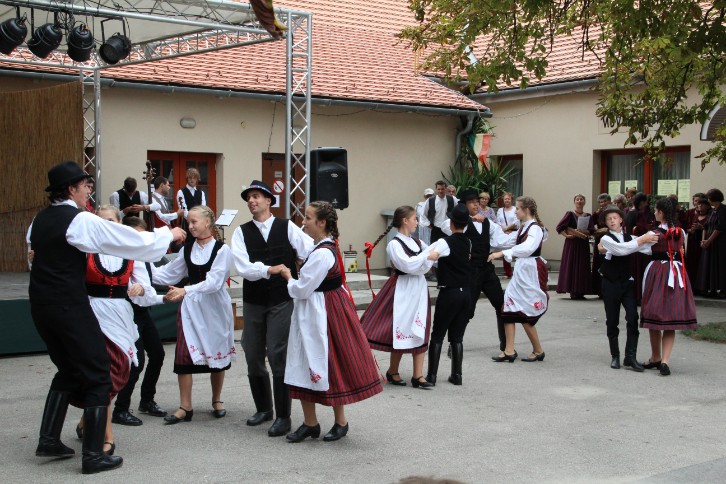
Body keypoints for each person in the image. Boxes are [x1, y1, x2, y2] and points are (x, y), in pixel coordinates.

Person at [30, 160, 185, 474]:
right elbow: (129, 240)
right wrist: (168, 234)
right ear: (71, 189)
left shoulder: (40, 220)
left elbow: (36, 257)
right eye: (84, 185)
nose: (88, 189)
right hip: (68, 307)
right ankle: (93, 455)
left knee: (68, 370)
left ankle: (48, 440)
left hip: (42, 307)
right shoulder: (78, 220)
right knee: (99, 375)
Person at [281, 201, 383, 442]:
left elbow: (302, 289)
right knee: (306, 363)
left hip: (322, 312)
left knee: (328, 362)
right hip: (322, 309)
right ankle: (311, 423)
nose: (303, 222)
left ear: (322, 223)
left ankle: (339, 422)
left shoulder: (323, 253)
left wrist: (288, 276)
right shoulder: (324, 247)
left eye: (308, 218)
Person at [77, 206, 162, 455]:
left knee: (120, 370)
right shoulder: (86, 250)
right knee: (102, 373)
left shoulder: (130, 252)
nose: (107, 225)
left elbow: (146, 290)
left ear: (119, 224)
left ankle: (86, 421)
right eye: (102, 221)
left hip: (121, 315)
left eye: (111, 221)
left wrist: (140, 289)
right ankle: (107, 436)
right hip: (93, 314)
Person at [231, 180, 313, 437]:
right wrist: (269, 269)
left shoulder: (287, 226)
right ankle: (263, 409)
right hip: (254, 300)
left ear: (268, 200)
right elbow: (243, 267)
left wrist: (299, 269)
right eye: (249, 197)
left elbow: (310, 250)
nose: (251, 201)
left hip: (281, 299)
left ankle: (283, 416)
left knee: (278, 355)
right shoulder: (241, 232)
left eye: (256, 196)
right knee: (253, 353)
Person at [152, 205, 236, 423]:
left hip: (215, 307)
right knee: (183, 354)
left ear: (208, 222)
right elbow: (169, 273)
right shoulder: (187, 249)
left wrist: (185, 290)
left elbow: (214, 283)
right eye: (188, 222)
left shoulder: (222, 250)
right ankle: (185, 406)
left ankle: (216, 400)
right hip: (192, 308)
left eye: (194, 222)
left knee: (216, 351)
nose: (189, 226)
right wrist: (142, 268)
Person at [360, 206, 438, 388]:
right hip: (402, 288)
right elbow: (407, 265)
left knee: (421, 325)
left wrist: (427, 258)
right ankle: (393, 370)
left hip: (419, 287)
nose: (417, 222)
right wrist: (426, 258)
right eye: (414, 218)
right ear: (405, 220)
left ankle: (418, 375)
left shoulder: (418, 242)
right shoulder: (394, 244)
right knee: (401, 326)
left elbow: (426, 264)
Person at [440, 191, 516, 362]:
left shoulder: (488, 223)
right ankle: (455, 343)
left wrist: (524, 234)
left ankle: (506, 347)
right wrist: (468, 218)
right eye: (472, 202)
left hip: (487, 269)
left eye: (477, 201)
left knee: (501, 305)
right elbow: (445, 226)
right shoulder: (460, 224)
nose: (476, 204)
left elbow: (503, 240)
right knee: (467, 310)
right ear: (463, 205)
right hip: (470, 271)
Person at [112, 216, 169, 426]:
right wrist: (155, 295)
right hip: (129, 312)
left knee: (158, 354)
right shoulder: (122, 256)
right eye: (138, 236)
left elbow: (153, 279)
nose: (141, 240)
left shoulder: (143, 256)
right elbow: (137, 290)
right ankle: (120, 409)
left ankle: (147, 400)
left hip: (143, 311)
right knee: (137, 362)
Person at [640, 197, 698, 376]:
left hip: (658, 272)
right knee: (670, 318)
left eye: (656, 210)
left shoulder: (654, 234)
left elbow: (640, 248)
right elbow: (682, 252)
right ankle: (664, 360)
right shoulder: (681, 232)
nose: (654, 213)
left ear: (661, 212)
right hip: (677, 273)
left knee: (654, 315)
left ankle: (655, 357)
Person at [596, 205, 658, 370]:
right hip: (610, 283)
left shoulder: (630, 237)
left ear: (621, 220)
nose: (612, 221)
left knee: (632, 317)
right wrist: (642, 240)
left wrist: (659, 238)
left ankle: (630, 356)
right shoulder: (605, 239)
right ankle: (615, 356)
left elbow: (647, 248)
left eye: (614, 218)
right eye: (609, 219)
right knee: (612, 320)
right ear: (606, 223)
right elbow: (622, 250)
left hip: (626, 283)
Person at [489, 196, 548, 363]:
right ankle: (509, 350)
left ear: (526, 210)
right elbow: (504, 240)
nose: (515, 211)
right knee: (509, 305)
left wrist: (502, 253)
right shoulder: (523, 228)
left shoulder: (535, 229)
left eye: (518, 208)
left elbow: (527, 248)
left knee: (525, 311)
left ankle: (538, 350)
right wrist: (487, 226)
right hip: (522, 269)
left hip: (531, 271)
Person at [424, 204, 472, 385]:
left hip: (449, 291)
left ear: (451, 223)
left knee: (438, 334)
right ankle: (457, 375)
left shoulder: (445, 242)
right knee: (457, 337)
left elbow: (434, 255)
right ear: (466, 224)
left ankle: (432, 376)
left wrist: (424, 257)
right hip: (465, 291)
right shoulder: (468, 242)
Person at [556, 194, 595, 299]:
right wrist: (567, 236)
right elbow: (559, 227)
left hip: (582, 243)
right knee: (571, 265)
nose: (579, 201)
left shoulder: (588, 215)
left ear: (584, 202)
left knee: (582, 266)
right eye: (577, 199)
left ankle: (581, 291)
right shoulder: (569, 214)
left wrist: (583, 231)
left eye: (581, 199)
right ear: (574, 202)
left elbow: (592, 230)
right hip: (572, 244)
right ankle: (572, 290)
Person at [624, 192, 656, 304]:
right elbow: (643, 230)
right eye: (645, 202)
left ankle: (633, 296)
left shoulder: (629, 213)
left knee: (633, 271)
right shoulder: (638, 214)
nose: (646, 205)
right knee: (640, 271)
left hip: (631, 245)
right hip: (639, 246)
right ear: (641, 203)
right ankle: (639, 296)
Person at [699, 188, 726, 298]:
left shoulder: (723, 210)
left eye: (708, 198)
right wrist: (703, 240)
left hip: (720, 243)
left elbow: (720, 227)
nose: (707, 200)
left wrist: (709, 240)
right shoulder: (712, 211)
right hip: (710, 243)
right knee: (711, 265)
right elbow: (705, 226)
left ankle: (723, 290)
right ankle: (712, 289)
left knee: (720, 265)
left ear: (713, 198)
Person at [685, 196, 710, 293]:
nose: (699, 206)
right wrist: (691, 230)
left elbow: (711, 228)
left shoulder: (709, 216)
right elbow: (687, 227)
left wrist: (702, 227)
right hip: (692, 242)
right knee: (691, 263)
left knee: (702, 263)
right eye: (698, 204)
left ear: (707, 206)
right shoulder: (694, 216)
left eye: (702, 205)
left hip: (703, 242)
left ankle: (702, 287)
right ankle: (692, 286)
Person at [591, 193, 612, 298]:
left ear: (609, 201)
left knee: (609, 263)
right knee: (599, 263)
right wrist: (595, 231)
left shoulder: (614, 211)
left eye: (604, 201)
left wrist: (606, 229)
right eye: (600, 202)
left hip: (611, 240)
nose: (602, 204)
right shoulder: (597, 213)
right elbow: (590, 224)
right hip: (600, 240)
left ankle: (609, 289)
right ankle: (599, 290)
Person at [176, 168, 207, 233]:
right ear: (187, 178)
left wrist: (198, 221)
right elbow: (183, 210)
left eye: (194, 178)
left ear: (197, 179)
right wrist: (192, 221)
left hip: (199, 224)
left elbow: (203, 208)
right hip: (186, 224)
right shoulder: (181, 192)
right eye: (190, 178)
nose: (192, 180)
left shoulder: (201, 193)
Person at [495, 192, 519, 278]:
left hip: (514, 232)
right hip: (504, 234)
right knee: (505, 253)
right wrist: (504, 231)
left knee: (516, 253)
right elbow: (498, 222)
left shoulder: (515, 209)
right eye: (505, 199)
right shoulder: (500, 210)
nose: (507, 200)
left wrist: (507, 229)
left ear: (511, 200)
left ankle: (518, 272)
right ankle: (508, 273)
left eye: (508, 199)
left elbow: (516, 222)